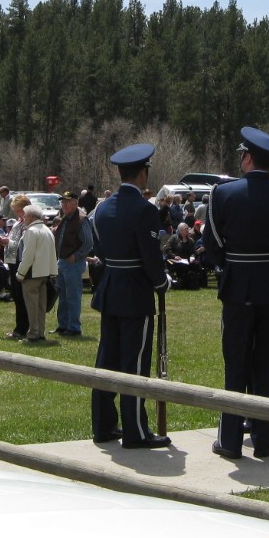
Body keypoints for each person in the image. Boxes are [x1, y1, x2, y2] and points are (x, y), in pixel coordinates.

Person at [202, 127, 269, 460]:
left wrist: (231, 269)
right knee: (268, 365)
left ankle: (230, 441)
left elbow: (212, 244)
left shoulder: (223, 193)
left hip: (237, 289)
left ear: (247, 158)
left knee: (235, 365)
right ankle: (265, 440)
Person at [90, 143, 171, 449]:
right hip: (135, 292)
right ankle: (135, 431)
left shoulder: (104, 207)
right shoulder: (145, 209)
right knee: (134, 364)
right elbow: (150, 257)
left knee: (107, 360)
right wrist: (161, 283)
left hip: (111, 288)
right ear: (142, 173)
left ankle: (104, 425)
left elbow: (99, 250)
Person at [15, 202, 56, 343]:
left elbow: (28, 255)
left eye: (25, 216)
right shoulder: (46, 230)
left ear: (31, 217)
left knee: (32, 306)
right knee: (40, 306)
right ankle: (40, 333)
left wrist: (20, 273)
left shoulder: (32, 231)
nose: (23, 218)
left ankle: (33, 334)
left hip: (32, 273)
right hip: (45, 273)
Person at [53, 191, 92, 337]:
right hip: (62, 261)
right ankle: (63, 325)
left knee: (73, 296)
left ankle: (74, 327)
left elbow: (88, 243)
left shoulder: (82, 219)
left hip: (73, 264)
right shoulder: (65, 218)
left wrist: (76, 257)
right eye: (63, 202)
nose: (64, 205)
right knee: (62, 295)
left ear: (75, 203)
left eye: (68, 202)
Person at [3, 194, 32, 339]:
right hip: (12, 261)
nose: (17, 213)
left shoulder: (28, 224)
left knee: (21, 296)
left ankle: (22, 328)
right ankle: (19, 326)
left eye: (19, 210)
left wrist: (8, 242)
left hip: (20, 261)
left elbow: (23, 244)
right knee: (16, 294)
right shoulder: (17, 223)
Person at [165, 221, 206, 289]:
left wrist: (192, 257)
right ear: (180, 230)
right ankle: (182, 282)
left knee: (197, 265)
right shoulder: (174, 238)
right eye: (185, 229)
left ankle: (195, 282)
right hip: (176, 260)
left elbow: (193, 252)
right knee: (181, 267)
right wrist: (174, 256)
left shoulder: (190, 240)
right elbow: (167, 249)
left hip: (187, 260)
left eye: (188, 228)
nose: (188, 230)